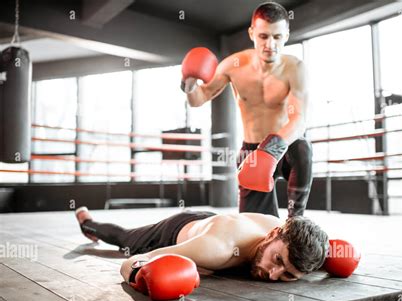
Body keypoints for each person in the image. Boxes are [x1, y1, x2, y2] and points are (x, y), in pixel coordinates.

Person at [181, 2, 313, 218]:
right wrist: (189, 85)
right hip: (252, 150)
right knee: (256, 229)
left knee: (303, 149)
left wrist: (271, 148)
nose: (270, 44)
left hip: (284, 147)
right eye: (263, 36)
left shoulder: (295, 68)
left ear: (286, 36)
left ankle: (295, 221)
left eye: (277, 37)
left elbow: (298, 119)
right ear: (252, 33)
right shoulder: (234, 65)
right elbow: (199, 99)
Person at [75, 207, 329, 284]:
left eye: (288, 275)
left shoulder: (291, 238)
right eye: (277, 261)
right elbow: (132, 261)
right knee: (125, 239)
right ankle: (88, 223)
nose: (273, 275)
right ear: (273, 235)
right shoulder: (217, 249)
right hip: (176, 231)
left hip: (211, 219)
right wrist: (140, 274)